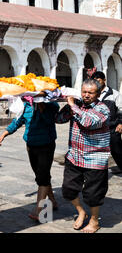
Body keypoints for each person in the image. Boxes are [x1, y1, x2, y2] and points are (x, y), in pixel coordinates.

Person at [55, 78, 111, 233]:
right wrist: (63, 105)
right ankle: (81, 211)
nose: (86, 95)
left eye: (90, 93)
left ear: (98, 94)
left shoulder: (103, 109)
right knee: (68, 190)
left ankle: (94, 221)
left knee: (93, 193)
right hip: (75, 155)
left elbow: (88, 122)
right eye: (84, 92)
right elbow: (58, 119)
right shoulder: (76, 105)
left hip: (95, 158)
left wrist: (73, 106)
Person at [0, 99, 59, 221]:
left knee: (43, 177)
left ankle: (39, 210)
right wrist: (4, 134)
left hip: (46, 144)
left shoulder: (50, 104)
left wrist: (42, 105)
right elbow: (17, 121)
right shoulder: (25, 106)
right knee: (40, 175)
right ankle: (53, 201)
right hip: (31, 145)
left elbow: (51, 118)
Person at [91, 71, 122, 173]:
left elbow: (121, 110)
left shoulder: (114, 94)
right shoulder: (92, 94)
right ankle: (96, 173)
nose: (97, 83)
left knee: (116, 150)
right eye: (94, 81)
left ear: (104, 80)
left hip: (112, 127)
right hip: (96, 129)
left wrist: (120, 123)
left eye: (99, 80)